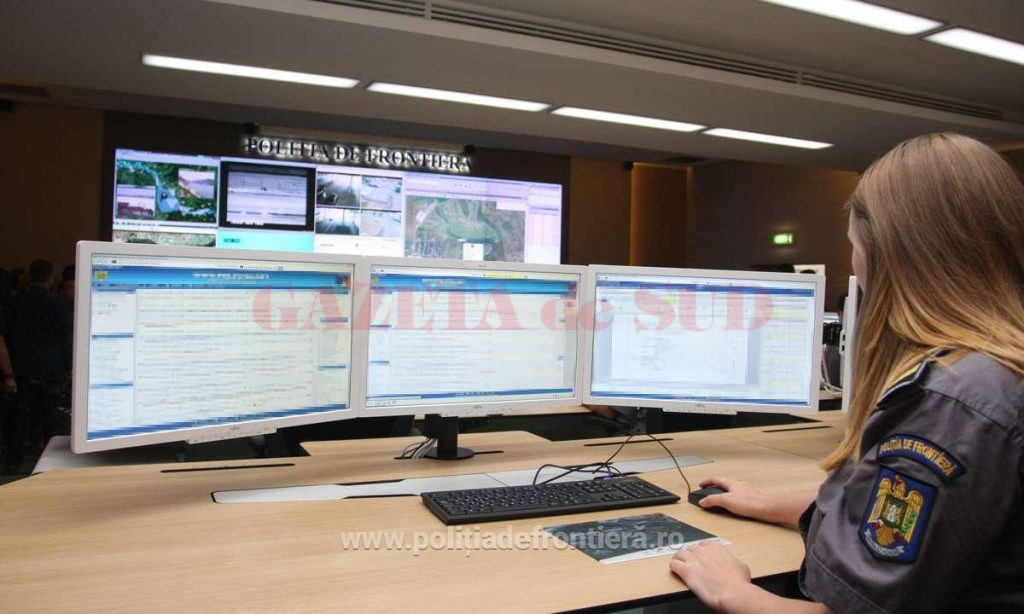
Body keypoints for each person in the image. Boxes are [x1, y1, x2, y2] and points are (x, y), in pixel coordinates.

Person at [669, 133, 1024, 612]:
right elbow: (905, 515)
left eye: (854, 246)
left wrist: (730, 590)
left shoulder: (950, 403)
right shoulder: (995, 370)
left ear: (887, 253)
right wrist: (768, 504)